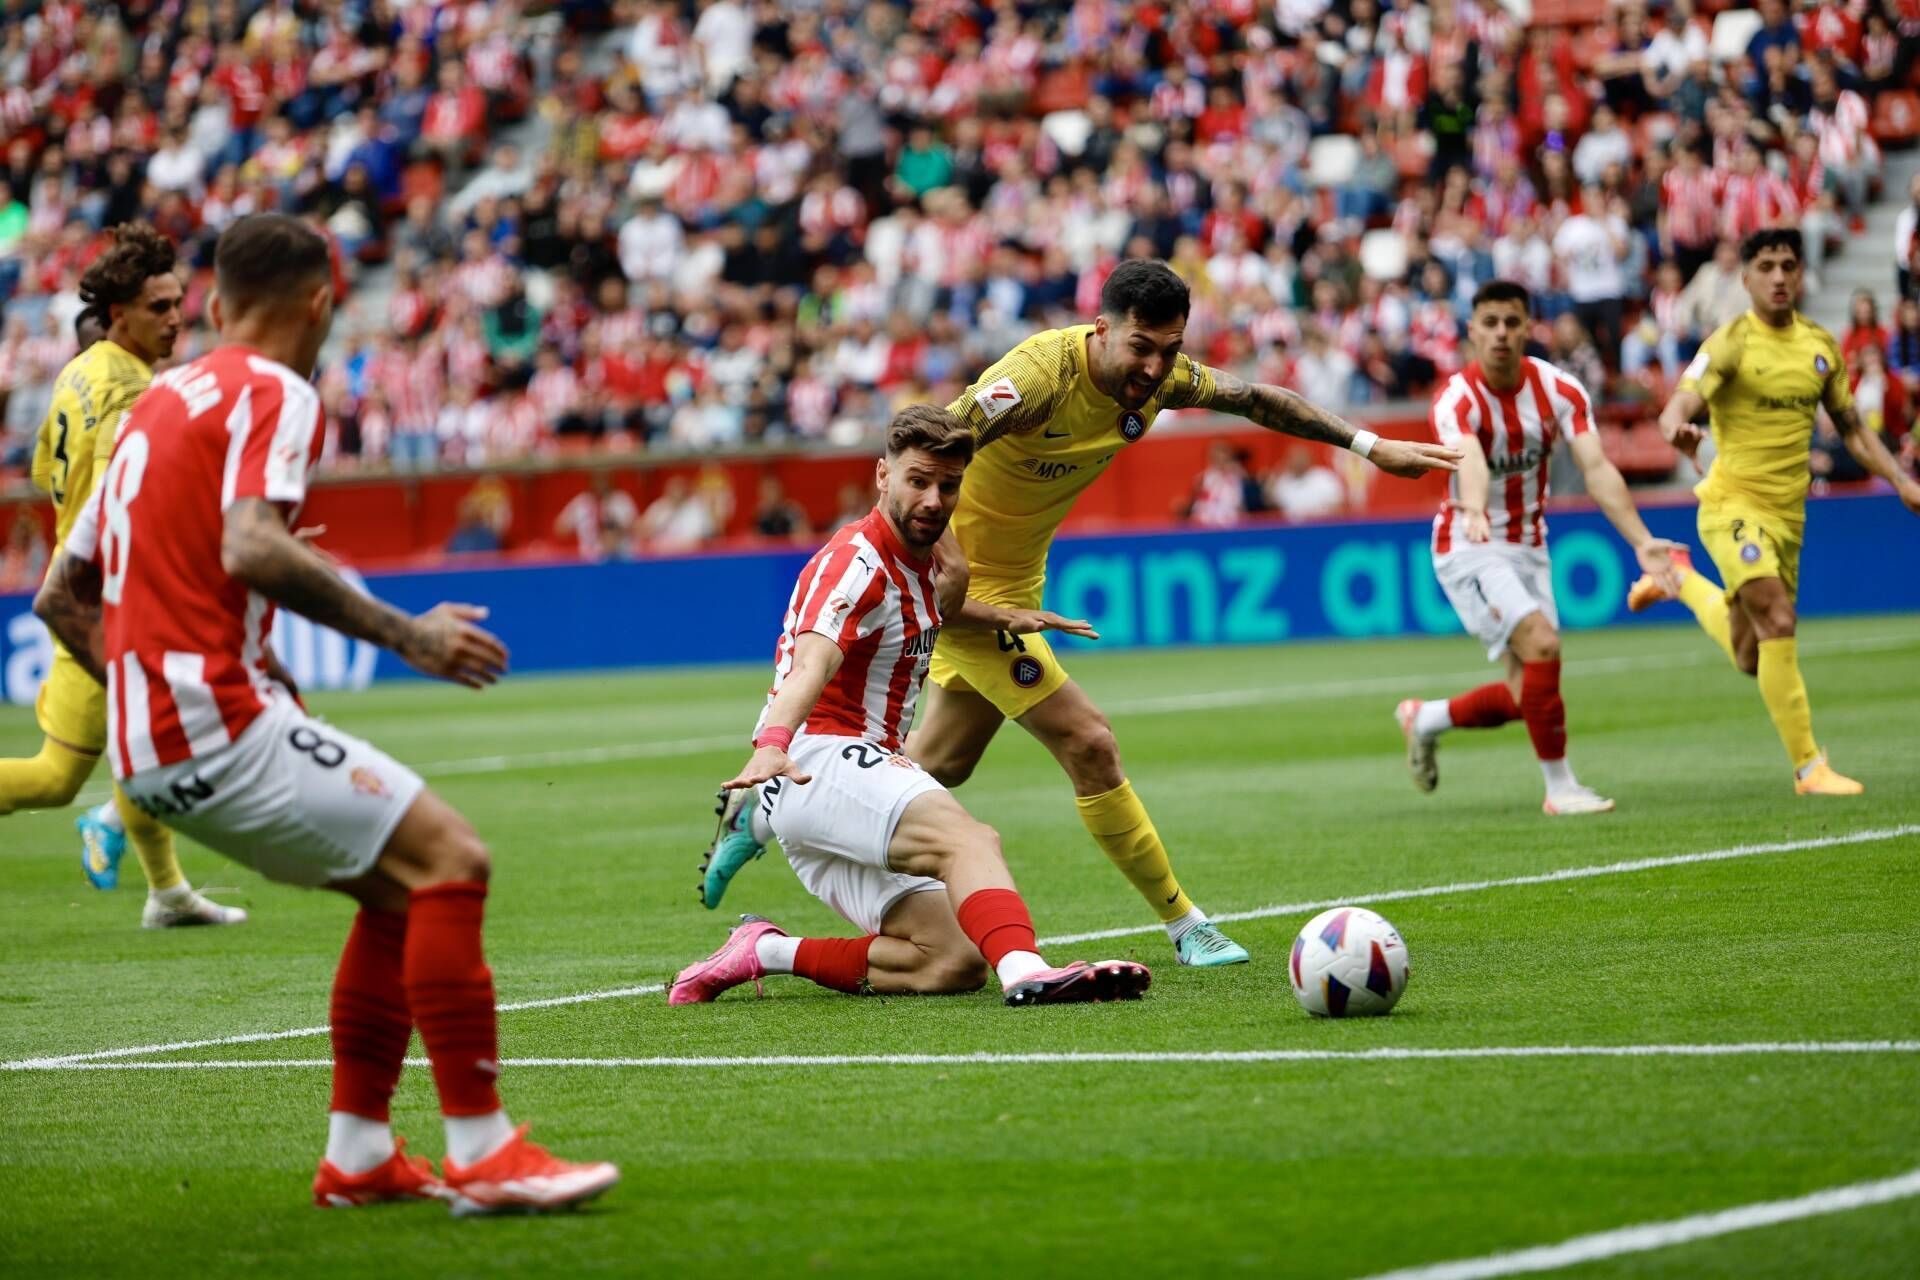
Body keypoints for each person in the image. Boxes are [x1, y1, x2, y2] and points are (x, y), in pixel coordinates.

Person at [33, 213, 616, 1213]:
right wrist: (409, 634)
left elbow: (59, 595)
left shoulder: (156, 405)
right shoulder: (277, 390)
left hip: (151, 738)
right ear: (322, 302)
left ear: (213, 306)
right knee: (453, 858)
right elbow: (255, 547)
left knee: (396, 892)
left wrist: (138, 685)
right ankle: (482, 1148)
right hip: (210, 717)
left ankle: (358, 1154)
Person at [701, 260, 1459, 967]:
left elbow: (1256, 398)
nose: (1155, 367)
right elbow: (940, 439)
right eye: (1140, 347)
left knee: (943, 765)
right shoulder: (1035, 380)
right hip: (962, 592)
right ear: (1102, 330)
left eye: (1169, 350)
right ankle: (1185, 923)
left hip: (1014, 587)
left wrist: (1366, 443)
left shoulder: (1161, 384)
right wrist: (945, 572)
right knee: (1090, 741)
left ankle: (768, 814)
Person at [671, 406, 1148, 1008]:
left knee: (952, 960)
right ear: (882, 476)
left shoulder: (922, 557)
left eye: (948, 486)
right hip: (817, 759)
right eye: (918, 481)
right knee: (970, 842)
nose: (933, 499)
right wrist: (771, 743)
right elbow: (812, 659)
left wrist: (1003, 616)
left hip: (829, 785)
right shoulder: (855, 563)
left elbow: (922, 609)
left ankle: (762, 951)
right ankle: (1028, 971)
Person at [0, 224, 243, 928]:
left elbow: (47, 471)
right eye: (159, 307)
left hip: (85, 583)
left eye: (178, 303)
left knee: (150, 742)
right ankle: (139, 860)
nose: (176, 318)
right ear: (118, 316)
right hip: (108, 599)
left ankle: (165, 892)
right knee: (73, 771)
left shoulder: (78, 371)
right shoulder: (134, 398)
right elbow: (123, 503)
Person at [1636, 227, 1920, 793]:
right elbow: (1681, 403)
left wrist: (1902, 481)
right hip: (1731, 505)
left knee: (1750, 654)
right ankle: (1809, 766)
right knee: (1779, 621)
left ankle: (1679, 579)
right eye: (1766, 266)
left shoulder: (1819, 347)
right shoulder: (1730, 343)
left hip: (1789, 517)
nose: (1779, 276)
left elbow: (1853, 430)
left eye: (1788, 264)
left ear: (1801, 273)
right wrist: (1677, 430)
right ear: (1745, 278)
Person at [1394, 281, 1683, 815]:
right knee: (1544, 644)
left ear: (1529, 328)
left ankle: (1426, 718)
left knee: (1528, 690)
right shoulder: (1457, 399)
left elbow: (1596, 468)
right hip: (1469, 544)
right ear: (1472, 331)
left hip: (1530, 545)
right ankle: (1561, 789)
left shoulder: (1559, 390)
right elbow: (1468, 457)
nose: (1501, 334)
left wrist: (1642, 542)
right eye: (1490, 323)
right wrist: (1476, 506)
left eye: (1512, 322)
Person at [1269, 444, 1346, 520]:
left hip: (1322, 525)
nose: (1298, 462)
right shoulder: (1282, 482)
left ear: (1309, 458)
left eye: (1301, 458)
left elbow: (1338, 506)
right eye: (1294, 458)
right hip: (1292, 529)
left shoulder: (1325, 478)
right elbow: (1271, 506)